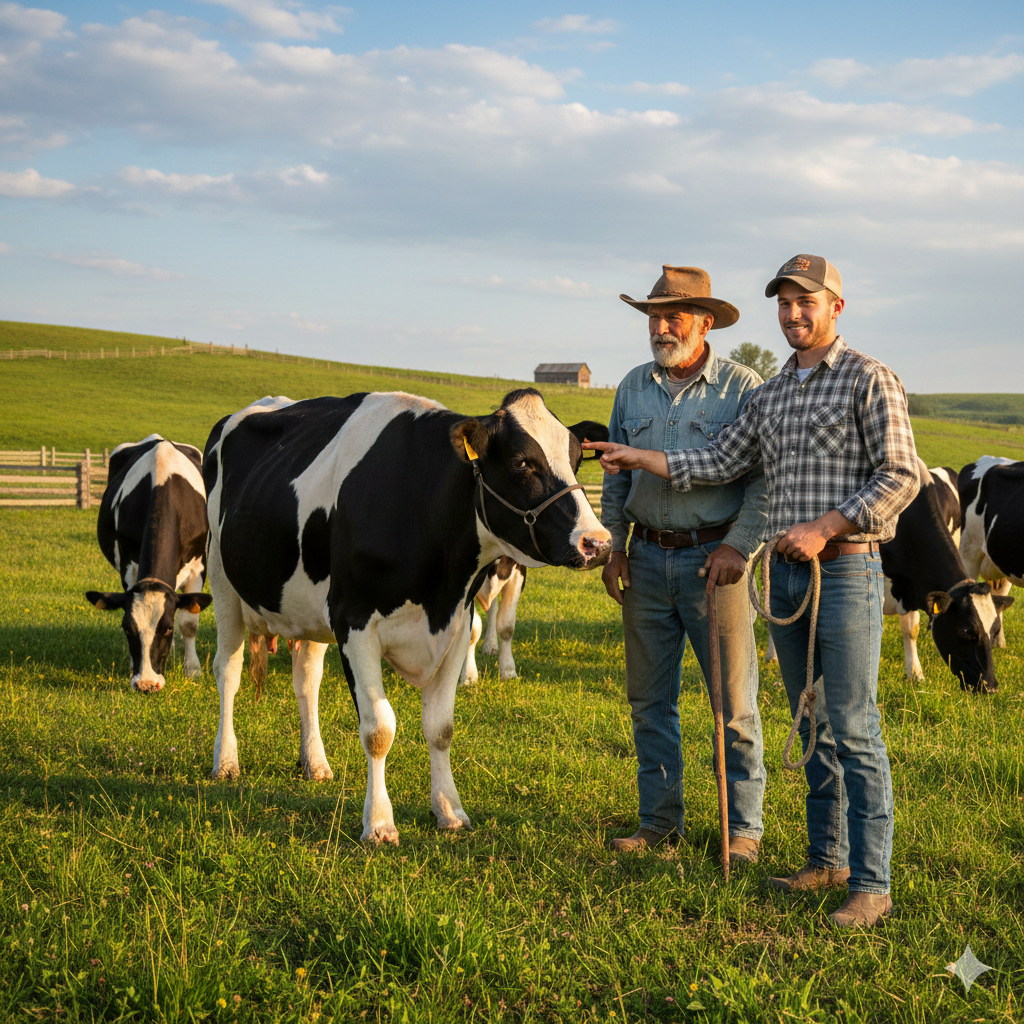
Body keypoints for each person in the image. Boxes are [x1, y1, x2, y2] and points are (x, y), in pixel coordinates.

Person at [585, 254, 919, 928]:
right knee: (812, 718)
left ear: (835, 308)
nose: (794, 314)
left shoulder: (868, 379)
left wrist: (826, 527)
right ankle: (826, 858)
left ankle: (872, 883)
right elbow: (716, 461)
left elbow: (903, 475)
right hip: (788, 575)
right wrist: (638, 457)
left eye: (807, 302)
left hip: (846, 568)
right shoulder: (770, 396)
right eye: (785, 303)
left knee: (854, 726)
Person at [599, 265, 768, 863]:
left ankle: (742, 832)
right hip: (645, 559)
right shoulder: (631, 388)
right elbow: (615, 474)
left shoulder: (743, 388)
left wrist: (739, 545)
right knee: (650, 702)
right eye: (653, 316)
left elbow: (764, 482)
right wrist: (616, 545)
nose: (661, 326)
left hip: (714, 562)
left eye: (673, 316)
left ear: (704, 322)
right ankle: (658, 824)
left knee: (733, 705)